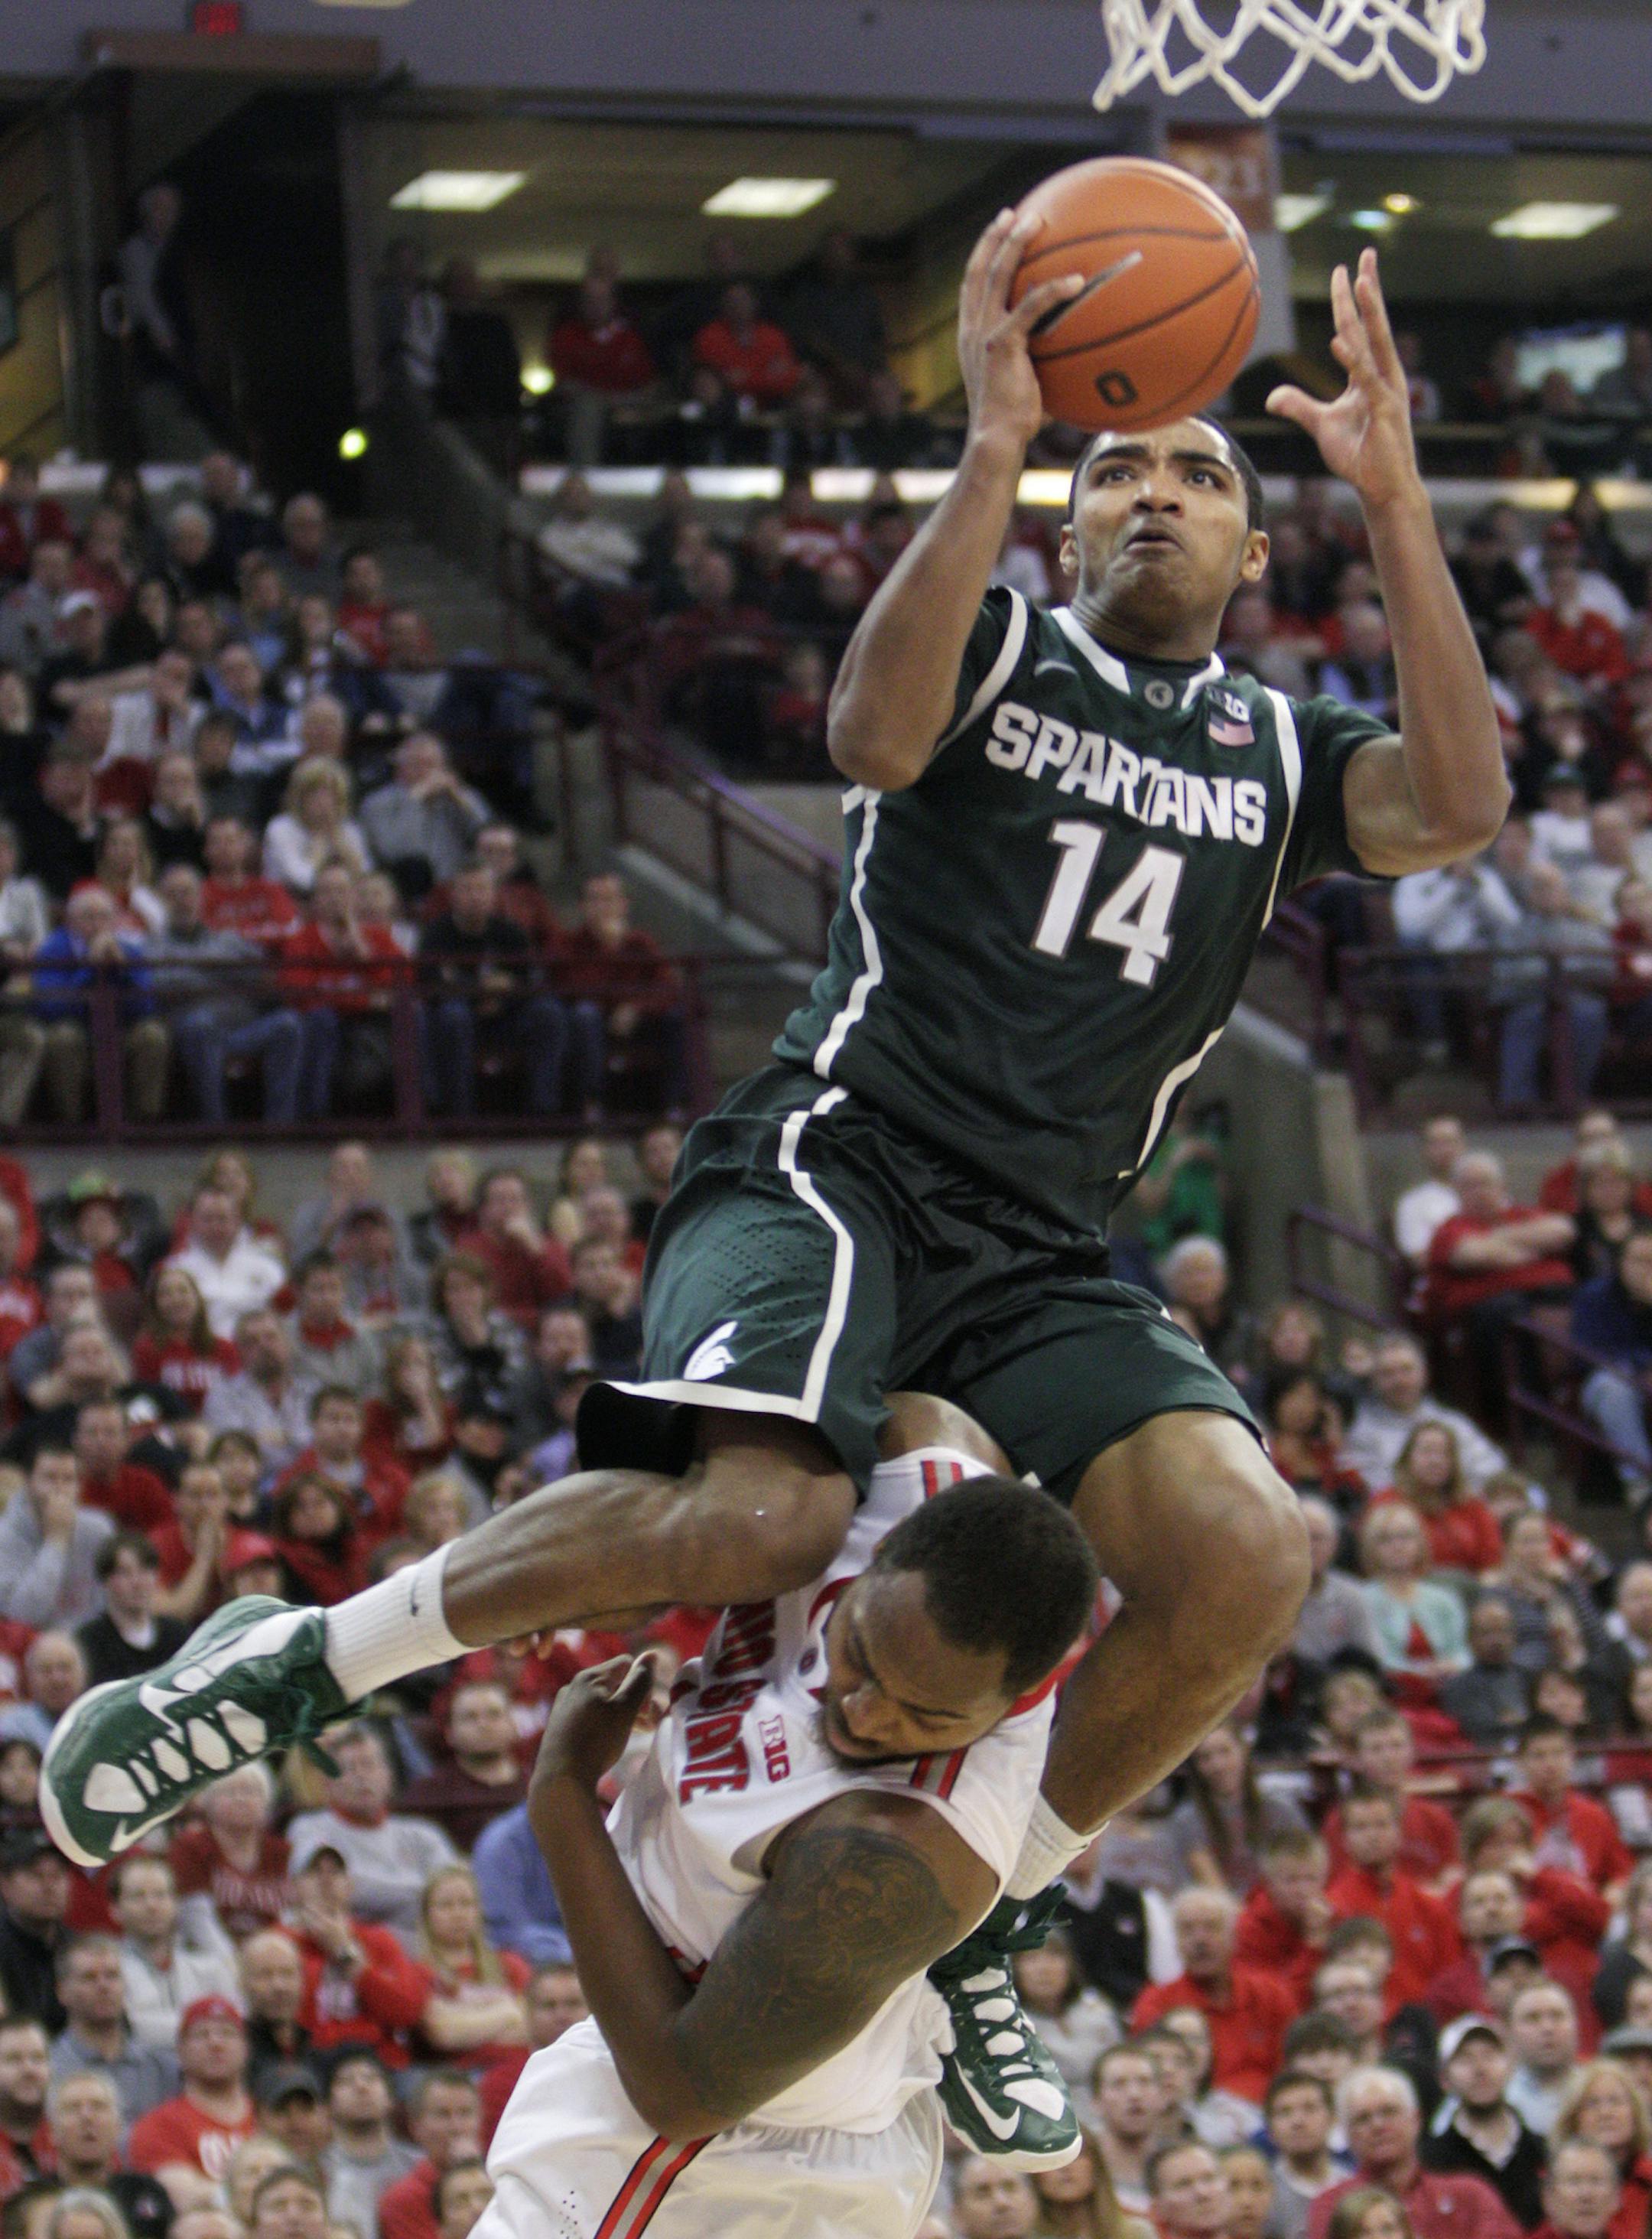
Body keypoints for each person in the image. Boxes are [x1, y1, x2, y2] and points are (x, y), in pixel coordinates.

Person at [44, 234, 1508, 2175]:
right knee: (757, 1512)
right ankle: (299, 1661)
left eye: (1201, 475)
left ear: (1255, 553)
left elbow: (1457, 807)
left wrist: (1399, 507)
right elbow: (864, 739)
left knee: (1243, 1554)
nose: (1153, 492)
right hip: (835, 1152)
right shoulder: (991, 646)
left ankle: (976, 1904)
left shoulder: (1271, 749)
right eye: (1117, 471)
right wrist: (991, 450)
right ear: (1065, 532)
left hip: (1043, 1243)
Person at [286, 1724, 457, 1942]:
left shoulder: (424, 1835)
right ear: (327, 1782)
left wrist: (359, 1889)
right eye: (348, 1768)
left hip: (423, 1954)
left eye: (369, 1765)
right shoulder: (309, 1829)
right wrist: (423, 1894)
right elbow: (325, 1890)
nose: (361, 1777)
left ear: (388, 1776)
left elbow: (452, 1896)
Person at [1310, 2068, 1520, 2239]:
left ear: (1416, 2120)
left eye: (1389, 2112)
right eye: (1363, 2119)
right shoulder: (1333, 2206)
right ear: (1346, 2134)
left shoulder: (1470, 2196)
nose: (1378, 2125)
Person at [1132, 1887, 1296, 2101]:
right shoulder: (1156, 2004)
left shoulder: (1270, 1995)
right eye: (1187, 1930)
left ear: (1234, 1936)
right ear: (1176, 1942)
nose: (1200, 1940)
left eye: (1211, 1927)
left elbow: (1293, 2068)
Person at [1421, 2016, 1546, 2230]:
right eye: (1465, 2059)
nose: (1480, 2069)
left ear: (1510, 2067)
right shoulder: (1431, 2159)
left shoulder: (1542, 2150)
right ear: (1444, 2078)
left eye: (1490, 2056)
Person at [125, 1995, 256, 2189]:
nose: (215, 2043)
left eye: (227, 2033)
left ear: (246, 2048)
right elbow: (183, 2195)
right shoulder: (159, 2127)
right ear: (180, 2050)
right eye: (202, 2035)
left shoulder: (270, 2117)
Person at [112, 1852, 239, 2050]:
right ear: (115, 1909)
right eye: (138, 1896)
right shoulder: (110, 1971)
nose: (151, 1905)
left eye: (161, 1895)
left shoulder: (211, 1969)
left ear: (176, 1903)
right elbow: (128, 2030)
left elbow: (234, 2028)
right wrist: (199, 2028)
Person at [48, 1934, 178, 2123]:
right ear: (62, 1992)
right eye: (89, 1978)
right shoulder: (49, 2069)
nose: (104, 1986)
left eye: (112, 1976)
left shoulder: (161, 2067)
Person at [395, 1681, 527, 1851]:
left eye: (494, 1714)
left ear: (513, 1725)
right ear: (449, 1733)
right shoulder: (427, 1796)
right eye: (470, 1717)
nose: (483, 1725)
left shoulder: (539, 1787)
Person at [0, 1447, 112, 1633]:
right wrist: (56, 1541)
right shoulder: (5, 1537)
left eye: (69, 1479)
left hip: (91, 1642)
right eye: (50, 1478)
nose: (60, 1488)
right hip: (31, 1645)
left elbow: (109, 1604)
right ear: (28, 1482)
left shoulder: (99, 1530)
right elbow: (22, 1617)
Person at [476, 1964, 587, 2147]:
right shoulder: (501, 2083)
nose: (562, 2015)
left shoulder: (616, 2070)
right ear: (528, 2013)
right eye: (549, 2006)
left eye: (573, 2004)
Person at [321, 2051, 420, 2237]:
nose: (361, 2086)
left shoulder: (417, 2166)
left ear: (390, 2099)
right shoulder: (319, 2170)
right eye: (346, 2081)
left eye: (371, 2078)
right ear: (328, 2105)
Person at [376, 2069, 483, 2239]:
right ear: (415, 2127)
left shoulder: (500, 2182)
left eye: (465, 2113)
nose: (457, 2127)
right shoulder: (401, 2201)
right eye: (443, 2115)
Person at [77, 1534, 189, 1687]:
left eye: (145, 1571)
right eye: (125, 1573)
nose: (137, 1583)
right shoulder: (90, 1642)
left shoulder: (177, 1635)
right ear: (106, 1580)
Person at [1264, 2070, 1348, 2239]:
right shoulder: (1263, 2195)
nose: (1298, 2121)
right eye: (1285, 2112)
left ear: (1333, 2119)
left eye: (1310, 2109)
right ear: (1270, 2129)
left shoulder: (1353, 2188)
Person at [1506, 1978, 1581, 2133]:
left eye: (1557, 2016)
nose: (1547, 2028)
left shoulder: (1597, 2093)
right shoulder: (1497, 2099)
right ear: (1510, 2032)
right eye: (1532, 2018)